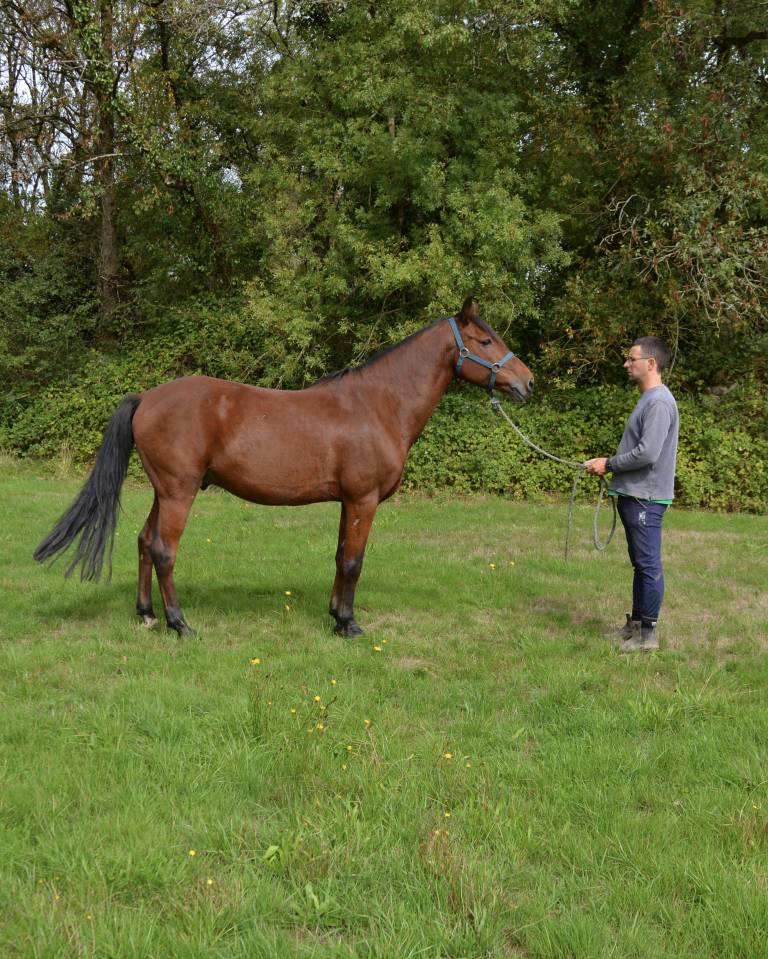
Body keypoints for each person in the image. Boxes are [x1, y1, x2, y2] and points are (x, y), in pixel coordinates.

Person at [584, 337, 679, 652]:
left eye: (631, 359)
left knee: (648, 564)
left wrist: (608, 464)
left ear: (650, 363)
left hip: (646, 498)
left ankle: (648, 635)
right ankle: (636, 625)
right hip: (636, 495)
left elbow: (647, 453)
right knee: (640, 563)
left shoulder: (659, 402)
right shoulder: (649, 399)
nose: (626, 364)